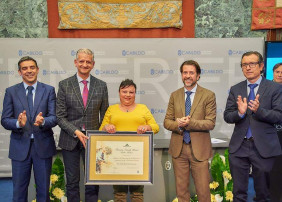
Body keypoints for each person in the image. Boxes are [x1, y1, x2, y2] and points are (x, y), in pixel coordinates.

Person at [224, 51, 282, 201]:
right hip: (239, 146)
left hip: (263, 147)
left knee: (263, 193)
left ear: (261, 66)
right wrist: (240, 113)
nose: (248, 67)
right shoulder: (236, 89)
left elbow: (279, 116)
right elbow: (227, 116)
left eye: (252, 64)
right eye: (244, 65)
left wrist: (259, 111)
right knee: (238, 193)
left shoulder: (274, 88)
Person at [1, 56, 57, 201]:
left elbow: (54, 117)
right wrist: (19, 124)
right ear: (19, 72)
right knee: (19, 192)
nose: (29, 71)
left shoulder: (49, 90)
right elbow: (5, 120)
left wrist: (43, 121)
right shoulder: (11, 91)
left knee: (43, 192)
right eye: (24, 68)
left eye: (32, 67)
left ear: (37, 69)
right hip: (19, 148)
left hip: (43, 147)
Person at [56, 48, 109, 202]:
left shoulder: (101, 86)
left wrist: (99, 135)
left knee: (92, 181)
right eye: (82, 61)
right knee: (72, 182)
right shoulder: (64, 85)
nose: (85, 64)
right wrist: (76, 132)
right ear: (75, 62)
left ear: (93, 64)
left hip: (94, 142)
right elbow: (60, 116)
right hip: (70, 139)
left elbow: (105, 115)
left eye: (88, 62)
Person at [163, 60, 216, 202]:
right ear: (181, 75)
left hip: (199, 149)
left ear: (198, 75)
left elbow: (210, 123)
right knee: (181, 192)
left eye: (191, 73)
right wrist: (178, 125)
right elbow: (167, 121)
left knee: (203, 192)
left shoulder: (208, 95)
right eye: (185, 72)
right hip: (178, 149)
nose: (188, 76)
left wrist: (190, 123)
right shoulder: (175, 95)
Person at [99, 79, 159, 202]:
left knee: (137, 193)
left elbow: (156, 127)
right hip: (116, 158)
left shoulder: (143, 108)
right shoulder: (112, 109)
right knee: (119, 194)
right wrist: (106, 127)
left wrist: (146, 127)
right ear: (119, 92)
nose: (127, 95)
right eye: (124, 91)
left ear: (135, 94)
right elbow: (100, 130)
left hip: (137, 157)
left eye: (131, 92)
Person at [269, 62, 282, 201]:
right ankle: (264, 192)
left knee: (278, 167)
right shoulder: (266, 88)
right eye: (277, 71)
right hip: (268, 133)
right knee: (266, 167)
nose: (280, 74)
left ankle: (276, 196)